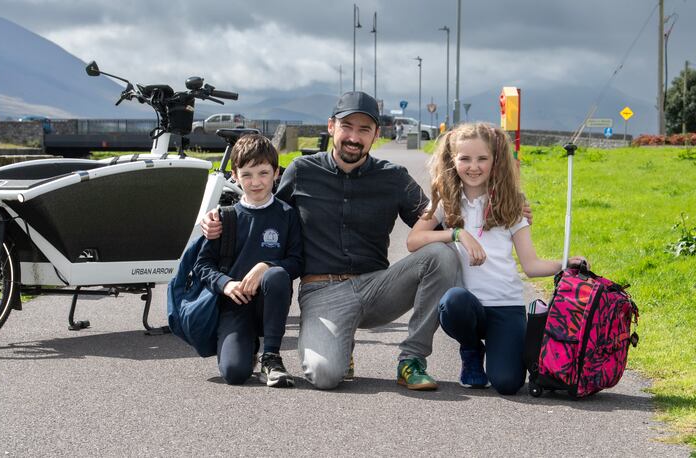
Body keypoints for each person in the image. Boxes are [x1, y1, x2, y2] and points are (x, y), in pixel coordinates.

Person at [203, 91, 459, 391]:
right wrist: (220, 218)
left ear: (377, 134)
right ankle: (340, 344)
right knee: (325, 376)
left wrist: (496, 213)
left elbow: (436, 222)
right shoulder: (301, 172)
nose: (354, 136)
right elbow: (267, 213)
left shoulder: (394, 178)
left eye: (364, 129)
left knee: (442, 255)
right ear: (330, 127)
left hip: (377, 287)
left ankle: (411, 359)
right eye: (347, 127)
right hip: (322, 290)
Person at [406, 122, 583, 395]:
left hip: (506, 306)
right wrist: (456, 234)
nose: (473, 167)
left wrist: (565, 263)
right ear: (452, 160)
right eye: (464, 158)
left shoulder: (511, 205)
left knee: (508, 383)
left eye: (482, 159)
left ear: (495, 161)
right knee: (453, 302)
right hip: (469, 305)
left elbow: (531, 266)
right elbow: (413, 241)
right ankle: (472, 348)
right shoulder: (445, 201)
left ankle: (498, 349)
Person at [194, 134, 303, 388]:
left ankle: (272, 356)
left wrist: (268, 266)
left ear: (276, 173)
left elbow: (298, 261)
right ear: (235, 175)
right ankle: (248, 346)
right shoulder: (224, 217)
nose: (256, 182)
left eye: (264, 173)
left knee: (276, 275)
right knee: (234, 373)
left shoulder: (287, 215)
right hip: (235, 304)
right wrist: (225, 284)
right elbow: (202, 265)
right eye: (247, 174)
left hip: (269, 301)